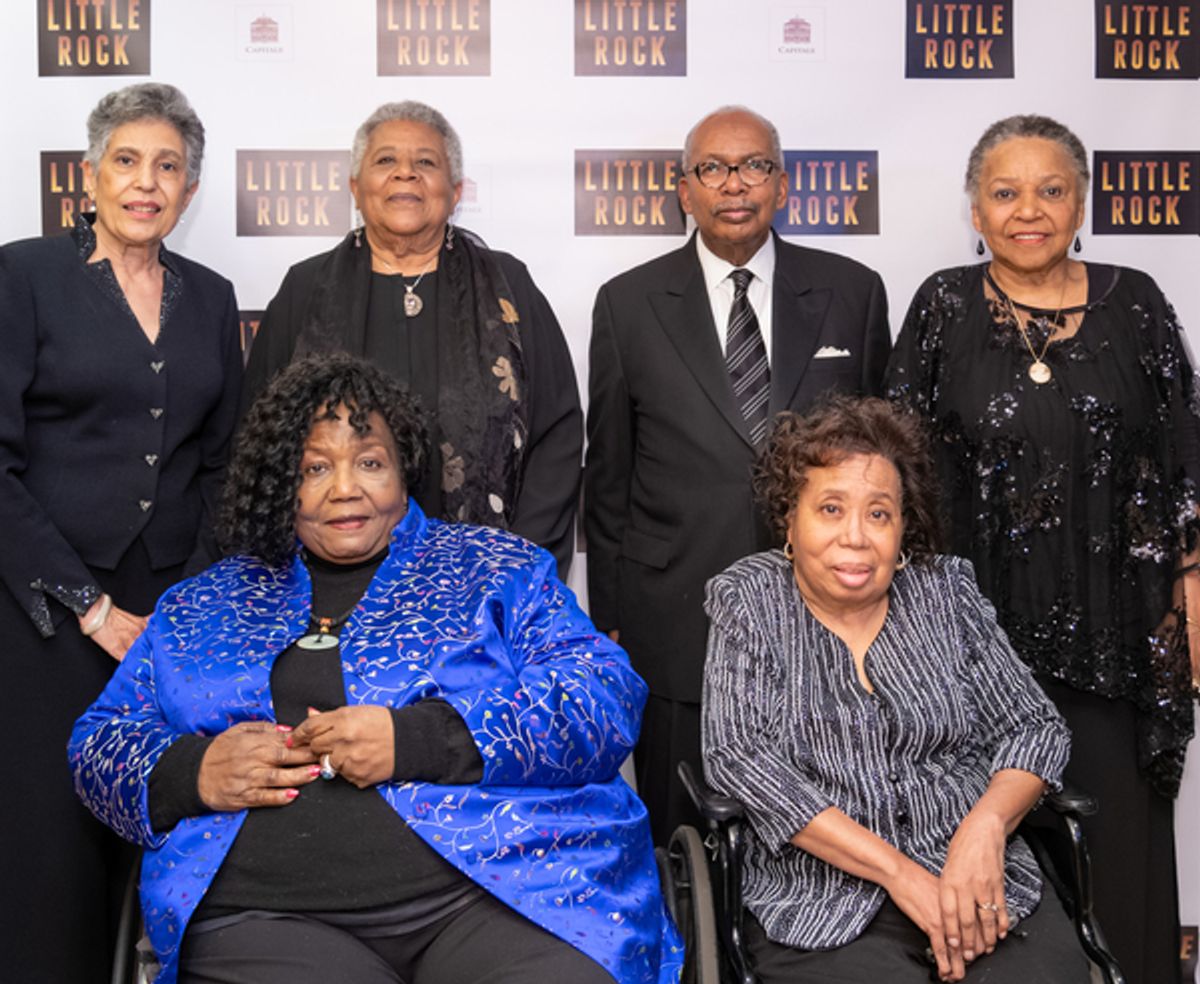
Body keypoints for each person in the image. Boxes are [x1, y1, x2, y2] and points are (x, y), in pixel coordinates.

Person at [70, 354, 682, 984]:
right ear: (281, 481)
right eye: (315, 467)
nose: (345, 489)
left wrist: (422, 739)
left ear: (403, 469)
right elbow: (99, 742)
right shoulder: (204, 604)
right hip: (269, 919)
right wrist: (193, 772)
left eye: (369, 462)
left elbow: (602, 694)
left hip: (507, 892)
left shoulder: (497, 569)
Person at [884, 114, 1200, 984]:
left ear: (1082, 203)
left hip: (1121, 639)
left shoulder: (1133, 300)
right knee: (989, 878)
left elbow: (1183, 456)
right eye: (1006, 191)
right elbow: (899, 476)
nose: (1030, 210)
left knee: (1122, 863)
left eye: (1051, 190)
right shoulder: (943, 305)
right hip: (975, 646)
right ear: (975, 209)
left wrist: (1193, 583)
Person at [703, 395, 1087, 983]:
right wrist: (900, 875)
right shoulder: (749, 601)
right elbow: (739, 759)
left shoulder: (945, 593)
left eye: (879, 514)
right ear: (789, 517)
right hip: (821, 901)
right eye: (830, 508)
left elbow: (1033, 726)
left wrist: (984, 829)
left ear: (903, 526)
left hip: (976, 882)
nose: (855, 537)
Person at [585, 105, 891, 844]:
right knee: (684, 842)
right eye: (713, 168)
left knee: (823, 841)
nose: (735, 184)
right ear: (683, 189)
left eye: (754, 166)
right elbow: (609, 476)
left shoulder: (853, 292)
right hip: (674, 621)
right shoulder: (627, 303)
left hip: (826, 621)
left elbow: (887, 468)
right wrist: (611, 620)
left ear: (782, 186)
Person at [0, 83, 241, 982]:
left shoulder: (212, 299)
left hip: (169, 612)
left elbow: (224, 466)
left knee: (163, 837)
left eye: (168, 166)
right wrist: (90, 607)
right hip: (44, 617)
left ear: (190, 186)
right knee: (49, 857)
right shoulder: (24, 276)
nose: (147, 183)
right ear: (91, 176)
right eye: (128, 162)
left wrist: (198, 600)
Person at [242, 100, 581, 576]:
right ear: (355, 188)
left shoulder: (508, 284)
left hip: (486, 580)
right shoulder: (305, 289)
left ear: (456, 190)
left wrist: (518, 567)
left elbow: (556, 435)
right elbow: (261, 438)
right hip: (330, 580)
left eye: (426, 162)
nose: (406, 174)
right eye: (386, 161)